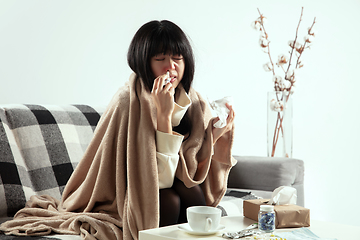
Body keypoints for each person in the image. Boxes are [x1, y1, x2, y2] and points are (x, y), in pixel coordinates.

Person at [0, 20, 235, 240]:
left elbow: (187, 172)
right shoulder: (128, 101)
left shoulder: (194, 102)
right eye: (160, 58)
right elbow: (158, 179)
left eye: (177, 58)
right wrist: (163, 117)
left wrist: (213, 137)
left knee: (192, 194)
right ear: (143, 62)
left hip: (165, 185)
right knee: (170, 200)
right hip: (124, 193)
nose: (170, 67)